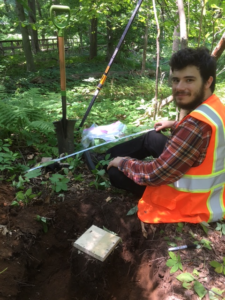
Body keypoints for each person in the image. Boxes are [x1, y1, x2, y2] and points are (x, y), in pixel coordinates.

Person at [106, 47, 225, 224]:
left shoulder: (195, 126)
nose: (179, 87)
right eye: (176, 80)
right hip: (213, 189)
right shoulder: (215, 109)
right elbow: (202, 138)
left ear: (208, 82)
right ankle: (102, 158)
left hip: (188, 201)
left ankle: (109, 162)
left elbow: (156, 174)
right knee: (151, 137)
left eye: (189, 80)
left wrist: (123, 162)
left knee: (116, 173)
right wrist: (175, 124)